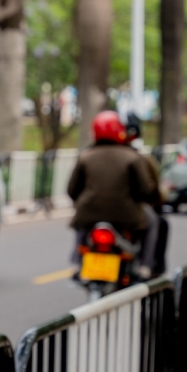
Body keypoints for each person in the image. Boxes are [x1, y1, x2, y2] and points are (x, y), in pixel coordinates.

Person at [67, 111, 159, 269]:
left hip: (89, 213)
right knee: (153, 221)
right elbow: (145, 190)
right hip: (128, 216)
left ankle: (77, 260)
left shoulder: (85, 156)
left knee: (81, 221)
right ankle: (145, 265)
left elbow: (72, 190)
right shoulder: (132, 157)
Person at [124, 113, 169, 277]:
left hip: (96, 209)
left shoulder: (89, 154)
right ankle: (147, 265)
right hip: (131, 210)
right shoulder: (140, 159)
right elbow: (149, 189)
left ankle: (77, 262)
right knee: (156, 223)